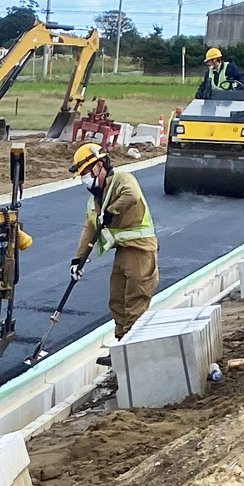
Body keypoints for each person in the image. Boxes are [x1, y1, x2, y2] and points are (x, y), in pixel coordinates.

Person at [70, 143, 157, 340]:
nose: (85, 179)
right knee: (117, 301)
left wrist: (111, 211)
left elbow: (131, 196)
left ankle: (133, 350)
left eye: (86, 172)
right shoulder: (95, 200)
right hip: (122, 253)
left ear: (99, 166)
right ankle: (121, 343)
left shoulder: (123, 179)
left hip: (140, 250)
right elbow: (89, 229)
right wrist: (77, 260)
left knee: (135, 301)